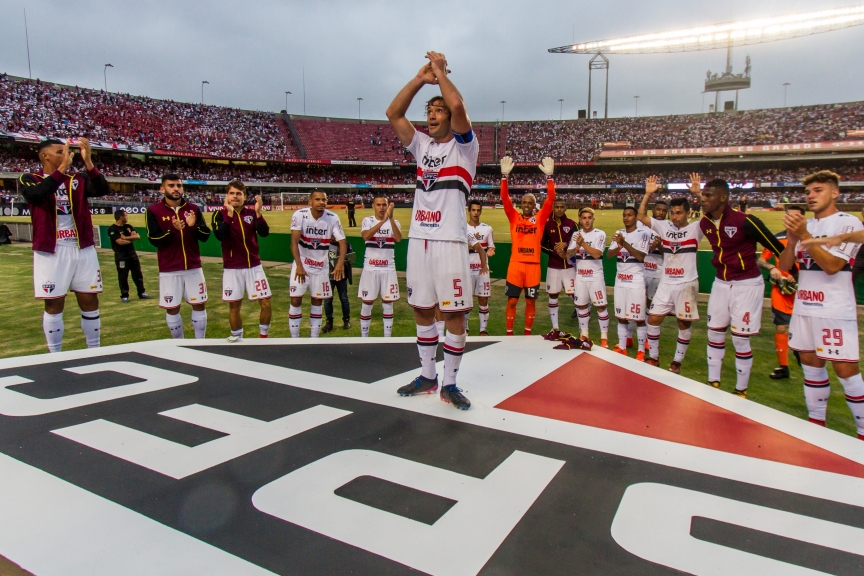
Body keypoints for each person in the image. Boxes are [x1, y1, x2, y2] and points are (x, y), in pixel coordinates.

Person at [386, 51, 478, 409]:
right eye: (430, 111)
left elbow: (457, 104)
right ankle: (428, 376)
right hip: (419, 240)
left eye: (437, 110)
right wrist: (418, 79)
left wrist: (439, 74)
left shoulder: (464, 147)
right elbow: (393, 113)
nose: (433, 114)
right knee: (422, 309)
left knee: (454, 314)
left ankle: (450, 383)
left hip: (450, 241)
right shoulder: (421, 145)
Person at [779, 171, 864, 439]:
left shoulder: (847, 223)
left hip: (834, 310)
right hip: (804, 306)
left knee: (845, 370)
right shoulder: (807, 226)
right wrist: (793, 242)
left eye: (818, 190)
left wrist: (803, 234)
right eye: (807, 193)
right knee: (810, 363)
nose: (811, 196)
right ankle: (816, 425)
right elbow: (784, 267)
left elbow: (832, 266)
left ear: (835, 193)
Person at [698, 174, 784, 397]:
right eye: (702, 194)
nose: (703, 198)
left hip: (747, 284)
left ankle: (740, 391)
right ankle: (713, 384)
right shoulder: (704, 222)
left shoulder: (746, 221)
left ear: (723, 197)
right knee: (715, 334)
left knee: (739, 338)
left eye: (708, 195)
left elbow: (777, 248)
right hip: (720, 283)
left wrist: (784, 271)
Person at [20, 137, 108, 352]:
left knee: (90, 300)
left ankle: (94, 350)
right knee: (53, 304)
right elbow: (37, 194)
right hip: (51, 250)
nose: (67, 154)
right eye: (60, 151)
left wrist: (88, 163)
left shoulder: (77, 179)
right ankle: (55, 354)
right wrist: (60, 171)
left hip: (82, 247)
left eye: (68, 151)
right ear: (45, 155)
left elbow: (102, 189)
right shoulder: (29, 178)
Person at [637, 176, 704, 373]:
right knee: (654, 319)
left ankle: (677, 362)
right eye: (672, 213)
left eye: (679, 213)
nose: (674, 217)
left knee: (683, 322)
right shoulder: (664, 226)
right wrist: (648, 194)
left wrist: (699, 194)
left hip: (687, 283)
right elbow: (641, 216)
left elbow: (711, 216)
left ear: (688, 212)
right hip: (666, 282)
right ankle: (654, 357)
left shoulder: (696, 228)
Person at [147, 174, 211, 339]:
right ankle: (178, 343)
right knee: (173, 307)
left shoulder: (193, 209)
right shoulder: (153, 211)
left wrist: (193, 226)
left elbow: (205, 236)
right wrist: (172, 230)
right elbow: (153, 239)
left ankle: (200, 342)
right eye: (171, 185)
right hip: (169, 269)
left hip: (193, 266)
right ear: (162, 189)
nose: (176, 189)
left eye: (179, 185)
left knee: (199, 304)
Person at [500, 156, 556, 336]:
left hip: (533, 267)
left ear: (534, 206)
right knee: (512, 302)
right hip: (515, 266)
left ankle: (527, 334)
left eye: (530, 203)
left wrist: (549, 178)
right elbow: (504, 198)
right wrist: (504, 177)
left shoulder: (539, 219)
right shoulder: (513, 217)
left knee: (531, 302)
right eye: (524, 202)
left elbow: (550, 200)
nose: (526, 205)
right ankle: (509, 333)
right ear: (521, 204)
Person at [211, 180, 272, 342]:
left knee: (266, 303)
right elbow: (220, 236)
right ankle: (237, 339)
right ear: (227, 196)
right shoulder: (219, 214)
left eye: (239, 194)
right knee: (234, 306)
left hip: (254, 266)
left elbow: (264, 233)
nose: (235, 197)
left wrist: (259, 214)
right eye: (232, 193)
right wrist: (230, 215)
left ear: (245, 197)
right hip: (232, 269)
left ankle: (263, 338)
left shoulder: (251, 213)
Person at [289, 190, 346, 338]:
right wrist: (299, 265)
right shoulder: (300, 215)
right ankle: (294, 339)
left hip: (321, 267)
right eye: (318, 199)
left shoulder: (332, 217)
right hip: (302, 264)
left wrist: (339, 264)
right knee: (295, 299)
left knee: (317, 300)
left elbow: (342, 242)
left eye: (324, 200)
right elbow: (294, 243)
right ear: (310, 202)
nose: (322, 202)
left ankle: (314, 338)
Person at [757, 205, 804, 380]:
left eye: (796, 217)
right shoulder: (777, 238)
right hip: (781, 291)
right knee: (782, 327)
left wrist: (799, 276)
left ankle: (801, 353)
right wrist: (771, 268)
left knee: (803, 331)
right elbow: (761, 260)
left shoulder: (809, 239)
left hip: (805, 294)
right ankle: (784, 367)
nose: (791, 220)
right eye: (789, 216)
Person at [607, 207, 651, 359]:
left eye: (629, 215)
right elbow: (609, 255)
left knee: (639, 318)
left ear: (635, 218)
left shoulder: (643, 234)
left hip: (635, 282)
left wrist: (624, 243)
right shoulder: (619, 234)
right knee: (621, 316)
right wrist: (618, 245)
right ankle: (622, 347)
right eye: (624, 215)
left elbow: (640, 256)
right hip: (620, 281)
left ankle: (641, 351)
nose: (626, 218)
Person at [357, 195, 401, 337]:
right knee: (367, 303)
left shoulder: (395, 222)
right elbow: (366, 236)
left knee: (388, 304)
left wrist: (391, 219)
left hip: (388, 269)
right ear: (373, 206)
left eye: (384, 205)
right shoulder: (367, 221)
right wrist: (382, 221)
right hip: (370, 268)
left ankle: (387, 338)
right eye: (379, 205)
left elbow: (399, 238)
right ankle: (364, 337)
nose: (382, 207)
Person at [566, 207, 609, 347]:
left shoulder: (600, 234)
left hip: (595, 276)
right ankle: (584, 335)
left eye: (589, 218)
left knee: (600, 307)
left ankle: (604, 339)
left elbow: (597, 254)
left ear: (593, 219)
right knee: (581, 306)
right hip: (581, 277)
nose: (587, 221)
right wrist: (576, 247)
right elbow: (569, 254)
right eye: (584, 218)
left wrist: (583, 243)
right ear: (580, 219)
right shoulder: (576, 235)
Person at [541, 197, 577, 339]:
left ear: (566, 208)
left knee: (574, 294)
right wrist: (555, 251)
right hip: (554, 266)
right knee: (553, 294)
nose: (559, 209)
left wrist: (566, 245)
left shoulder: (572, 224)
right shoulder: (548, 224)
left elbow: (578, 241)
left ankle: (582, 325)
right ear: (553, 208)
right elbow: (542, 244)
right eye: (557, 207)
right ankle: (555, 327)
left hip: (569, 266)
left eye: (562, 207)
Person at [107, 209, 151, 303]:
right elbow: (119, 242)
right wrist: (130, 239)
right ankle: (124, 295)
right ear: (120, 217)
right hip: (121, 255)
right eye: (126, 215)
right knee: (123, 275)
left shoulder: (128, 226)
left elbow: (137, 237)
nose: (127, 217)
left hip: (132, 254)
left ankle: (141, 292)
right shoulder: (112, 229)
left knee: (138, 274)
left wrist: (126, 238)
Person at [466, 200, 495, 335]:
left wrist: (490, 251)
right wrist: (473, 245)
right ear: (469, 211)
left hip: (482, 269)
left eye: (478, 210)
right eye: (473, 210)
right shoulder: (463, 229)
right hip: (466, 270)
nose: (476, 213)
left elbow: (491, 246)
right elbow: (458, 249)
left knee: (483, 299)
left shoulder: (487, 228)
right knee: (466, 300)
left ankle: (483, 330)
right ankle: (465, 329)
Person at [323, 234, 354, 332]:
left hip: (341, 276)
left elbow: (351, 258)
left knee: (344, 298)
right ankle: (329, 322)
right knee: (327, 300)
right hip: (328, 276)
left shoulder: (345, 244)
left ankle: (346, 320)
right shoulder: (324, 244)